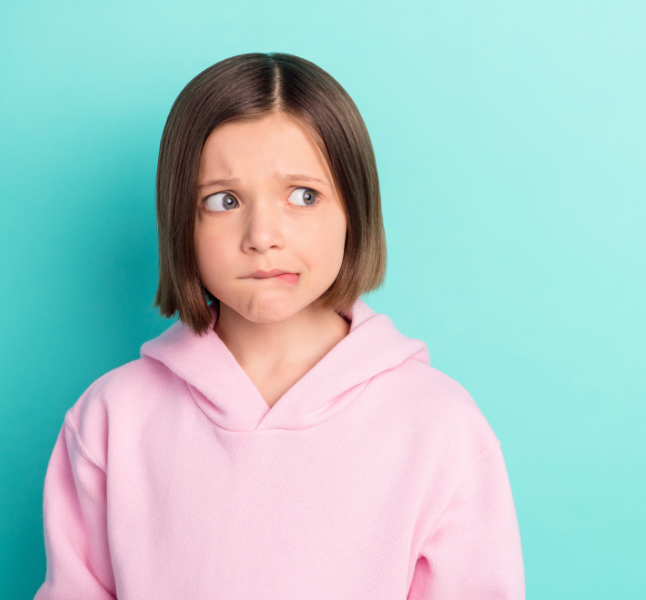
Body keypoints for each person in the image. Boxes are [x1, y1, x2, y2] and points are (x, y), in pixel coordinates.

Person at [34, 52, 526, 599]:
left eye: (303, 196)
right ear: (181, 221)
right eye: (223, 201)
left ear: (354, 212)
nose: (262, 235)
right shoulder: (111, 419)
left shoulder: (440, 426)